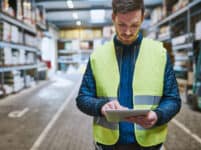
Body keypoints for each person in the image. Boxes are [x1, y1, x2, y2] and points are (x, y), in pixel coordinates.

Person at [76, 0, 181, 149]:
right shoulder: (97, 57)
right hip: (109, 145)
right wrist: (101, 106)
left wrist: (158, 115)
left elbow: (173, 99)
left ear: (142, 18)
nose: (127, 32)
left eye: (134, 25)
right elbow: (83, 98)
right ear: (113, 17)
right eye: (122, 25)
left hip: (149, 143)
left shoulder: (159, 54)